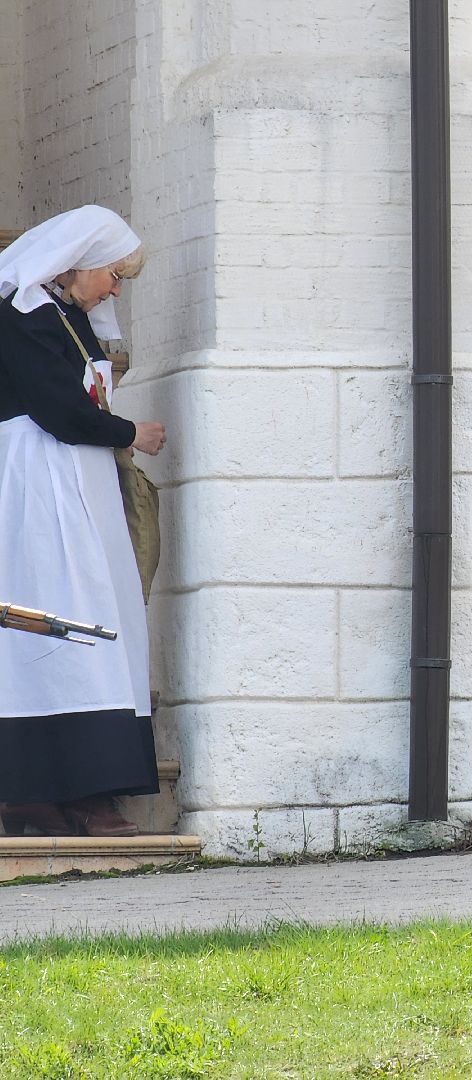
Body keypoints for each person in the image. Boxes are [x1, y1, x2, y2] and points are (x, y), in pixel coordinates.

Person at [0, 205, 168, 837]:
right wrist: (130, 431)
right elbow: (57, 409)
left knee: (98, 614)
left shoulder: (68, 318)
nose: (117, 288)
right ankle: (41, 793)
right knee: (58, 616)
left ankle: (76, 788)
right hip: (41, 485)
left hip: (78, 482)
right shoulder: (25, 317)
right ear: (80, 264)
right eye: (114, 274)